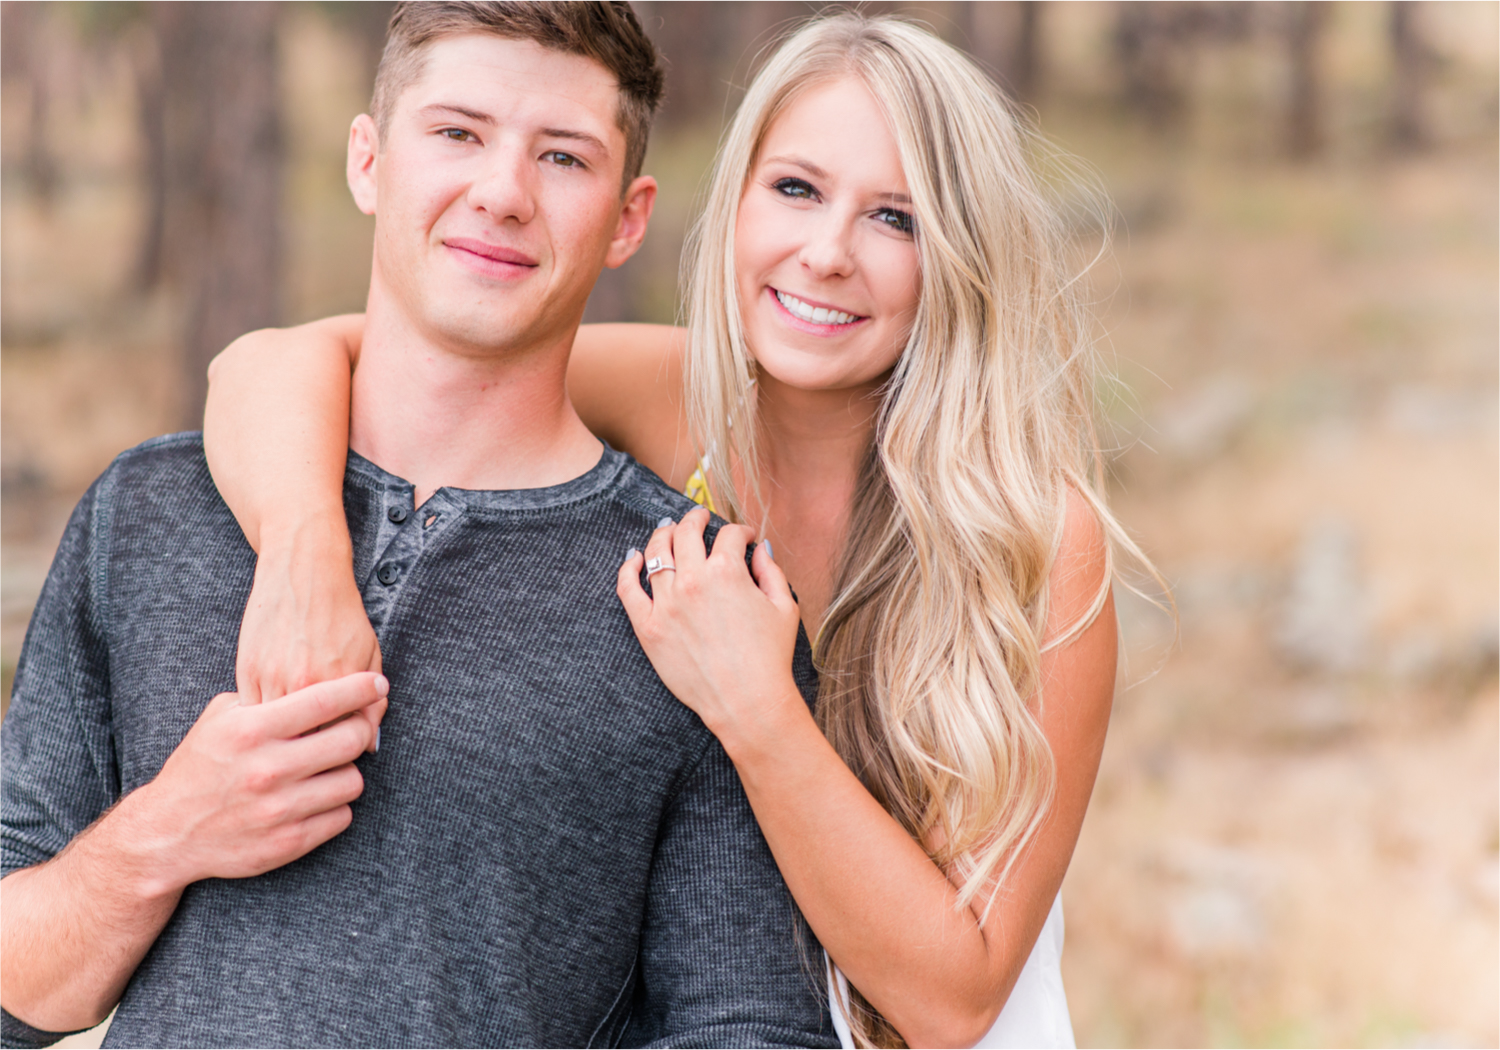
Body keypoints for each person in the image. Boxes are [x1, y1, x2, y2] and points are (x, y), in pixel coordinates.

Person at [205, 13, 1160, 1050]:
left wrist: (755, 702)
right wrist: (304, 552)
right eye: (795, 189)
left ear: (961, 258)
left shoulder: (1028, 536)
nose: (827, 252)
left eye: (896, 219)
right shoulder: (678, 406)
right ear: (737, 202)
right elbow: (274, 363)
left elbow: (955, 1001)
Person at [0, 4, 837, 1048]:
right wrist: (165, 834)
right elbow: (15, 993)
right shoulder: (151, 510)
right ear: (368, 160)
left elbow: (748, 1027)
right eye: (457, 133)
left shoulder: (699, 602)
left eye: (564, 158)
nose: (501, 192)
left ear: (629, 218)